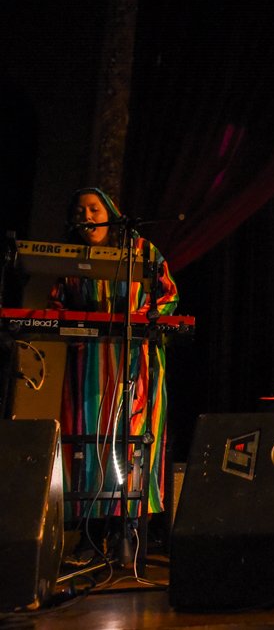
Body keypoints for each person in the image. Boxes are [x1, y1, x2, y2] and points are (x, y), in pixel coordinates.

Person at [49, 188, 179, 530]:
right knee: (87, 443)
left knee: (134, 440)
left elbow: (168, 295)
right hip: (89, 362)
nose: (86, 217)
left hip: (137, 359)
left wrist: (143, 318)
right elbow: (56, 306)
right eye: (80, 211)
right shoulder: (71, 259)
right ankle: (93, 536)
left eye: (93, 209)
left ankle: (130, 533)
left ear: (110, 212)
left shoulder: (141, 250)